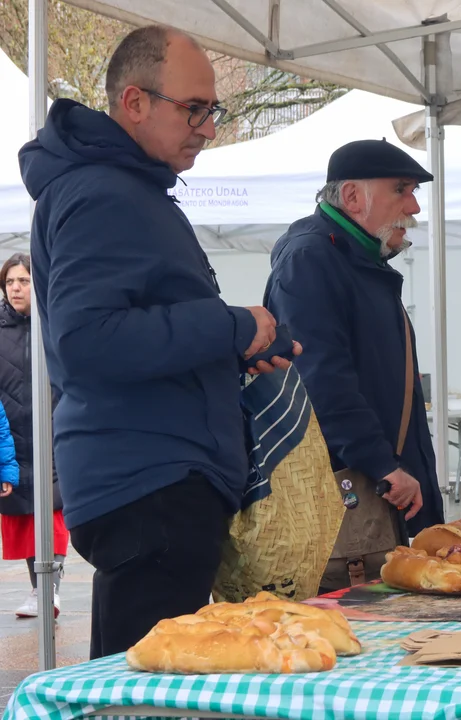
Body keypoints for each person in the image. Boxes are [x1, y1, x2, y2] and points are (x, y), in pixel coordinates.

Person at [18, 25, 296, 659]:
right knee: (146, 689)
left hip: (154, 478)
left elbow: (130, 326)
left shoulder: (121, 187)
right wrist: (229, 326)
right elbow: (88, 341)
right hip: (152, 484)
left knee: (141, 683)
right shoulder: (102, 192)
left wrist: (236, 347)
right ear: (135, 102)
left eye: (213, 110)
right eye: (194, 108)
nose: (209, 128)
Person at [264, 139, 443, 590]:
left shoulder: (357, 260)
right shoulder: (311, 259)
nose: (414, 207)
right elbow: (321, 380)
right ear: (351, 197)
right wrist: (382, 464)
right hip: (346, 503)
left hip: (378, 495)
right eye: (401, 190)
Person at [0, 253, 66, 619]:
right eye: (9, 282)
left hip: (53, 433)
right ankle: (39, 589)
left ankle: (49, 589)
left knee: (52, 513)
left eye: (23, 281)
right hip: (11, 438)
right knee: (25, 515)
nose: (15, 288)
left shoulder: (54, 323)